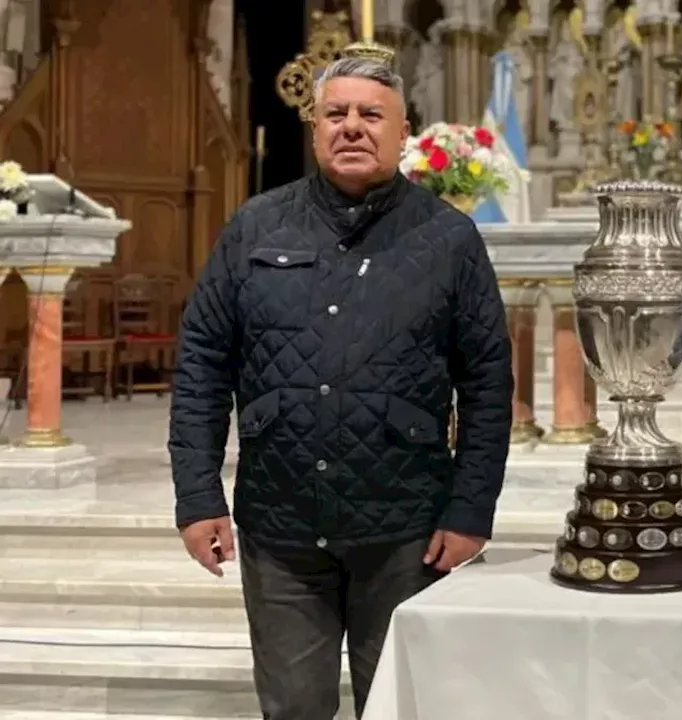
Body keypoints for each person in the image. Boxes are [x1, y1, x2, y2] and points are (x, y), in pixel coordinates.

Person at [168, 56, 514, 719]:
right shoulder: (255, 228)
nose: (352, 127)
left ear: (402, 130)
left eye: (370, 114)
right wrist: (197, 493)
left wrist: (471, 510)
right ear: (315, 125)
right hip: (281, 529)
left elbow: (488, 385)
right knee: (294, 710)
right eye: (336, 113)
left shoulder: (449, 239)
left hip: (406, 531)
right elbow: (203, 365)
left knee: (402, 707)